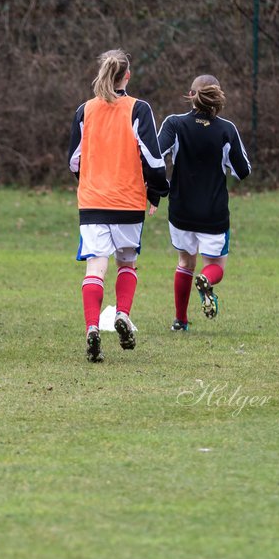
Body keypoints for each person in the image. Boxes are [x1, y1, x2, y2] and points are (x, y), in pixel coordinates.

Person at [67, 50, 170, 363]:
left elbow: (74, 161)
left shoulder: (85, 110)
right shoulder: (138, 108)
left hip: (93, 201)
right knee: (127, 263)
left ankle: (92, 327)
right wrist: (158, 190)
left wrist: (89, 180)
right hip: (127, 200)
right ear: (127, 75)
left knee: (95, 266)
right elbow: (153, 159)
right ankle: (122, 314)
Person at [156, 74, 251, 332]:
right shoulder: (226, 129)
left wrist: (158, 187)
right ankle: (206, 280)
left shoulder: (174, 123)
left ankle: (180, 320)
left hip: (181, 210)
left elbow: (155, 155)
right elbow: (243, 171)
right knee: (215, 266)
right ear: (219, 96)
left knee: (185, 263)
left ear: (191, 94)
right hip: (213, 213)